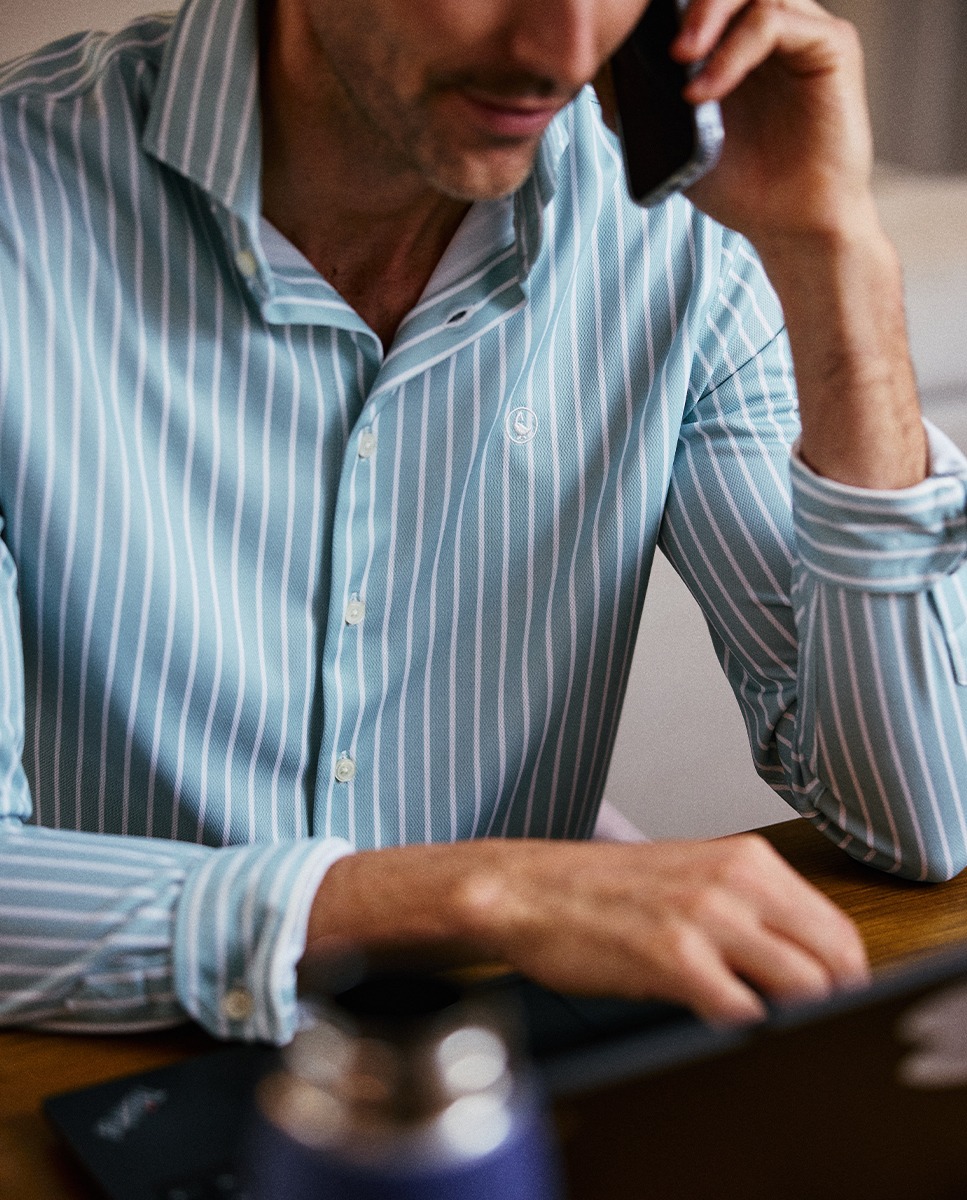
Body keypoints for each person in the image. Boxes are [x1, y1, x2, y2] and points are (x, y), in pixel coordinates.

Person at [0, 0, 965, 1046]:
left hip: (497, 1074)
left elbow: (924, 815)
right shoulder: (20, 214)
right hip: (80, 1069)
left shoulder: (680, 224)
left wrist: (835, 253)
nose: (562, 49)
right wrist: (481, 894)